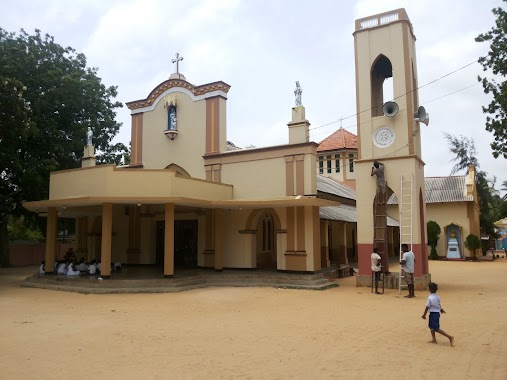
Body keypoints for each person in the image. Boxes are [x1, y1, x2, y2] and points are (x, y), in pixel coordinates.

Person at [422, 282, 454, 346]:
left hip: (433, 314)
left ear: (430, 289)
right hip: (436, 313)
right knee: (431, 326)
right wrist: (441, 309)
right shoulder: (437, 297)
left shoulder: (430, 298)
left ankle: (450, 337)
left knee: (436, 328)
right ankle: (434, 339)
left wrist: (424, 314)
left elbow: (427, 307)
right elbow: (438, 304)